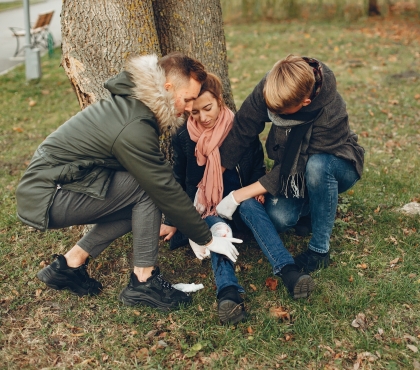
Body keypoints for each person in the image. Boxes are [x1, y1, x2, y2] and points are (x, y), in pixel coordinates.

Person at [16, 52, 242, 311]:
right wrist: (207, 238)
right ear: (168, 88)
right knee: (147, 189)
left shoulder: (135, 106)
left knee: (141, 200)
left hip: (60, 185)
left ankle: (69, 265)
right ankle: (143, 282)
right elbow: (162, 187)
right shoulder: (134, 123)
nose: (190, 108)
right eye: (188, 99)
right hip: (47, 195)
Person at [160, 73, 315, 325]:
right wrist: (174, 219)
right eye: (194, 113)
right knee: (217, 229)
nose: (203, 117)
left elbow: (256, 166)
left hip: (239, 202)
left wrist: (259, 190)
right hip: (206, 210)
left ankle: (289, 271)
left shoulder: (240, 129)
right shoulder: (183, 138)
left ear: (220, 101)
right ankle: (228, 294)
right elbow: (178, 181)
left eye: (207, 108)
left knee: (251, 205)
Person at [217, 54, 364, 275]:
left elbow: (295, 167)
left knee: (317, 168)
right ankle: (312, 207)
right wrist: (217, 170)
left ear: (305, 103)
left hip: (336, 162)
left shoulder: (329, 112)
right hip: (293, 172)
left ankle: (319, 250)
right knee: (278, 219)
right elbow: (243, 126)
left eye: (282, 112)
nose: (275, 115)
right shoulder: (274, 85)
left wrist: (237, 196)